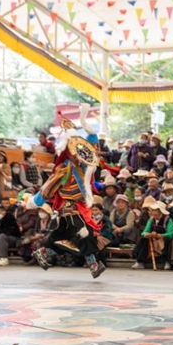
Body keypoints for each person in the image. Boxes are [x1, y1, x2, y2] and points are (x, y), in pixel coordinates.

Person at [29, 117, 106, 279]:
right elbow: (48, 188)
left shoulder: (83, 167)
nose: (77, 156)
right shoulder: (63, 170)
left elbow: (91, 150)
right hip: (71, 209)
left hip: (79, 208)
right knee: (84, 234)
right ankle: (93, 263)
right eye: (74, 152)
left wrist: (92, 134)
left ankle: (45, 252)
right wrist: (35, 201)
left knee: (64, 237)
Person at [131, 201, 173, 270]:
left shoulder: (168, 220)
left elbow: (171, 233)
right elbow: (145, 231)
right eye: (152, 210)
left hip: (164, 238)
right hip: (153, 238)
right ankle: (140, 261)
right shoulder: (151, 220)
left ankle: (167, 261)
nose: (153, 212)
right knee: (143, 239)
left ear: (160, 211)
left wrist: (160, 235)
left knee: (168, 240)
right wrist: (146, 234)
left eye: (155, 210)